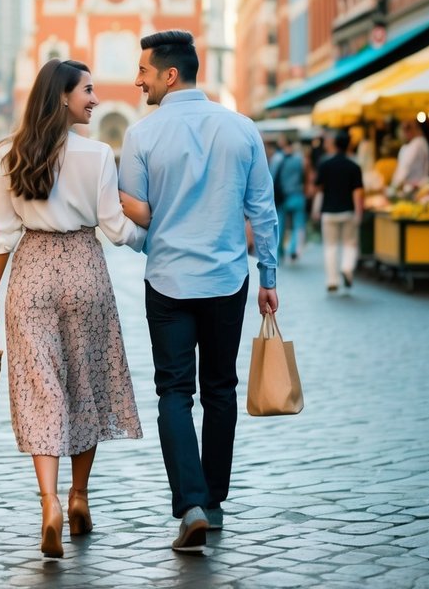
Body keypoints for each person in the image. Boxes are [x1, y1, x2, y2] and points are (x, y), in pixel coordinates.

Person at [0, 59, 147, 561]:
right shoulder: (96, 155)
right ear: (62, 97)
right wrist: (153, 232)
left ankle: (48, 503)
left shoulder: (10, 152)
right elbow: (116, 229)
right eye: (87, 91)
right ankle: (79, 496)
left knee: (41, 388)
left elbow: (2, 233)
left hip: (30, 272)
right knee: (84, 384)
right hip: (82, 269)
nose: (94, 99)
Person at [118, 29, 278, 554]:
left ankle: (188, 504)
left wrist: (140, 238)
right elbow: (263, 212)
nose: (137, 80)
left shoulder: (141, 137)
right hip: (227, 280)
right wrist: (269, 279)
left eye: (143, 70)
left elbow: (138, 224)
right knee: (220, 390)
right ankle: (212, 501)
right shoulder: (242, 129)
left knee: (174, 392)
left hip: (167, 280)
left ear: (169, 74)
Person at [315, 129, 365, 292]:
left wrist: (316, 209)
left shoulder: (325, 164)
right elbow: (358, 193)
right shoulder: (354, 167)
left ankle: (332, 280)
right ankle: (347, 267)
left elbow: (319, 189)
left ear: (335, 144)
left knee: (330, 246)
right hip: (348, 211)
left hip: (328, 212)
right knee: (350, 243)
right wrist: (359, 213)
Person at [274, 136, 307, 261]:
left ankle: (279, 251)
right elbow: (305, 175)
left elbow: (271, 178)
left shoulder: (277, 159)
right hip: (297, 195)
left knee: (280, 225)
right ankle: (293, 248)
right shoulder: (299, 159)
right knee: (298, 224)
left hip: (282, 197)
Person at [391, 119, 429, 191]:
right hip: (421, 185)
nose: (404, 133)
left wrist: (394, 186)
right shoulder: (422, 142)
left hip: (413, 188)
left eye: (407, 128)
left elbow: (404, 168)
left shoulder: (415, 145)